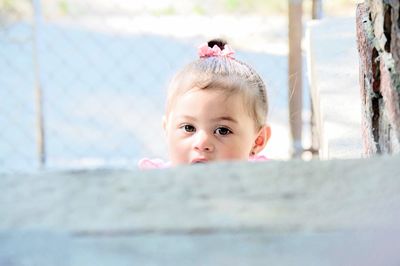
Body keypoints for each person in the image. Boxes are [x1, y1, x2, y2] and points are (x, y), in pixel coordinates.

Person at [139, 39, 271, 169]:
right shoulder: (156, 185)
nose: (202, 143)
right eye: (188, 128)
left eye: (222, 130)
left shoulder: (263, 186)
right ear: (167, 129)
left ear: (257, 140)